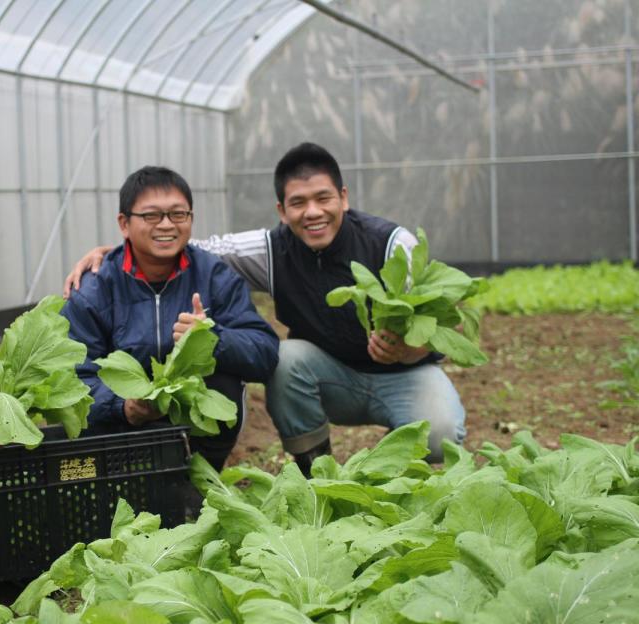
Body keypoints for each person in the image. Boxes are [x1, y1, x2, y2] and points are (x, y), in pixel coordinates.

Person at [64, 143, 466, 472]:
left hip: (404, 375)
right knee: (288, 358)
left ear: (343, 198)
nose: (312, 212)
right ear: (281, 210)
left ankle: (400, 475)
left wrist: (412, 350)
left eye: (323, 198)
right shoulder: (270, 249)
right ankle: (316, 472)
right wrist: (114, 254)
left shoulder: (393, 245)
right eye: (298, 202)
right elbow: (186, 245)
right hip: (334, 376)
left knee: (441, 431)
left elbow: (447, 321)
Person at [61, 166, 279, 471]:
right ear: (124, 223)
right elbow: (70, 377)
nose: (166, 225)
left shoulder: (214, 275)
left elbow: (265, 351)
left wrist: (212, 340)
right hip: (120, 432)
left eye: (178, 214)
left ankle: (202, 474)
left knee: (223, 377)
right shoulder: (95, 287)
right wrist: (124, 406)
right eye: (151, 216)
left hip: (194, 426)